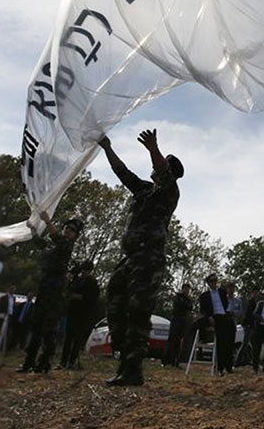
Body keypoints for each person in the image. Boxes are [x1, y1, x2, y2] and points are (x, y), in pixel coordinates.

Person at [97, 129, 185, 386]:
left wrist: (153, 149)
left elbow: (163, 171)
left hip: (149, 259)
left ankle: (133, 370)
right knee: (115, 303)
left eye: (162, 166)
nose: (156, 169)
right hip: (131, 258)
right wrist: (107, 148)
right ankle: (125, 360)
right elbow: (122, 173)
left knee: (138, 311)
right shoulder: (145, 190)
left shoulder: (170, 192)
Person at [17, 213, 82, 374]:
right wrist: (33, 230)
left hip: (56, 292)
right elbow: (41, 244)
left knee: (49, 328)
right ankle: (29, 362)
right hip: (45, 288)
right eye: (67, 228)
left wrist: (47, 221)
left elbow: (57, 239)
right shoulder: (56, 246)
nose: (68, 231)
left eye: (72, 230)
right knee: (36, 325)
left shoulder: (67, 246)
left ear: (75, 235)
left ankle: (44, 363)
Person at [59, 260, 100, 369]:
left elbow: (92, 298)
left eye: (86, 270)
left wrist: (78, 296)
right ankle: (63, 362)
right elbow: (68, 289)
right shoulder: (77, 280)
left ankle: (72, 361)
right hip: (72, 311)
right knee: (68, 337)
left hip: (83, 313)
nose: (84, 272)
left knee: (77, 338)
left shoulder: (92, 283)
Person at [198, 274, 233, 375]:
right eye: (212, 281)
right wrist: (209, 317)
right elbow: (202, 310)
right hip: (214, 317)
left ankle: (228, 365)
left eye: (215, 281)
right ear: (208, 283)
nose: (214, 283)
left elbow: (227, 303)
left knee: (230, 338)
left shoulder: (222, 292)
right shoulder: (204, 296)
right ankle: (220, 367)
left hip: (223, 315)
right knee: (221, 341)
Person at [161, 283, 194, 367]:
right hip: (176, 320)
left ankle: (176, 361)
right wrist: (185, 305)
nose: (187, 291)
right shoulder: (178, 297)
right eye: (185, 289)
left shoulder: (188, 299)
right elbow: (179, 305)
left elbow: (190, 307)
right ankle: (165, 360)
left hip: (184, 321)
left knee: (179, 341)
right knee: (172, 340)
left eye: (188, 289)